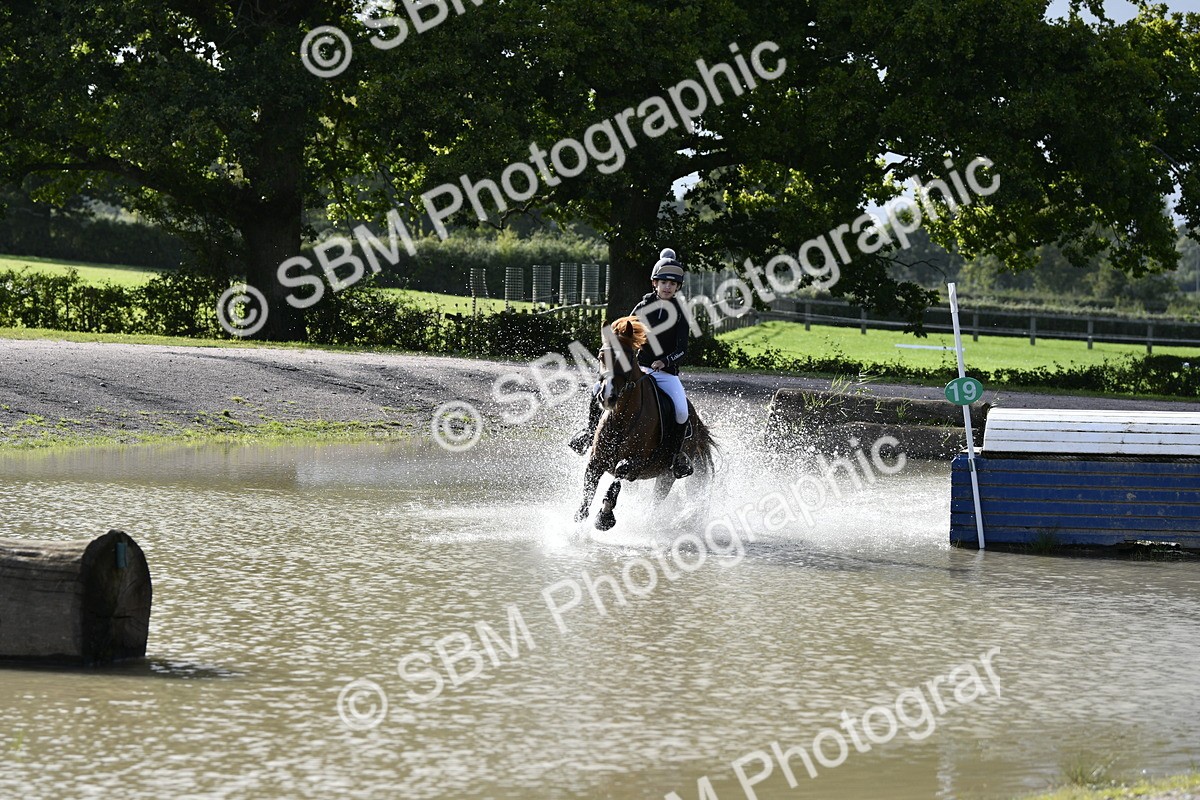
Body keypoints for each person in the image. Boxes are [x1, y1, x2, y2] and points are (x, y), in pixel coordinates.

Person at [568, 248, 694, 478]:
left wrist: (664, 361)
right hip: (639, 368)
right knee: (598, 389)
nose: (667, 287)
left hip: (666, 374)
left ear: (677, 287)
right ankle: (589, 433)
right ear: (654, 283)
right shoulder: (642, 307)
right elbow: (625, 334)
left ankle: (676, 457)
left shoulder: (681, 313)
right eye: (663, 282)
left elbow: (682, 349)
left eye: (672, 284)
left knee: (681, 411)